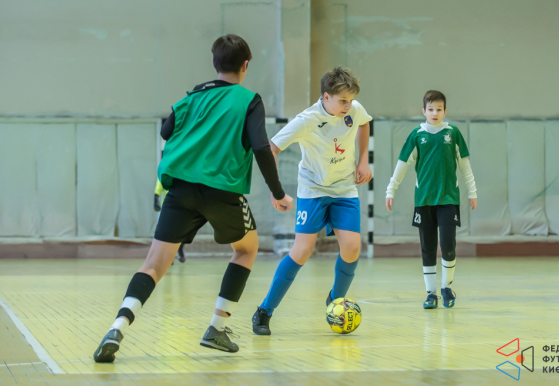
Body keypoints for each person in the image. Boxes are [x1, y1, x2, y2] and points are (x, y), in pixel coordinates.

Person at [93, 34, 293, 362]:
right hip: (221, 190)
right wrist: (278, 192)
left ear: (214, 63)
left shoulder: (192, 96)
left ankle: (118, 326)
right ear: (245, 66)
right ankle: (217, 327)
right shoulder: (249, 100)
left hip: (181, 190)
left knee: (153, 265)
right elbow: (260, 146)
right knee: (246, 249)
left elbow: (166, 130)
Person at [252, 67, 372, 335]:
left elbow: (364, 123)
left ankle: (335, 302)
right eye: (343, 101)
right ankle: (264, 311)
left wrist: (363, 160)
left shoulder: (354, 110)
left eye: (351, 101)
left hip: (344, 189)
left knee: (352, 247)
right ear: (326, 97)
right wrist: (275, 190)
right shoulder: (306, 120)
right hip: (313, 190)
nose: (348, 106)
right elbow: (271, 149)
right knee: (302, 250)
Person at [385, 90, 477, 309]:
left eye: (439, 109)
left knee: (447, 244)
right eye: (430, 109)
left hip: (448, 199)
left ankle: (446, 288)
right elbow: (402, 164)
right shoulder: (417, 135)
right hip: (424, 200)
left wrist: (472, 191)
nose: (434, 113)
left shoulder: (453, 133)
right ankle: (430, 294)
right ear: (424, 111)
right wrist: (391, 189)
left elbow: (465, 165)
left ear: (445, 111)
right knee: (428, 247)